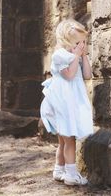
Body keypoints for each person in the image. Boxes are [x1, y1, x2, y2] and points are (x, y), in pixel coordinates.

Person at [40, 19, 93, 186]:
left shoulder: (76, 55)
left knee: (63, 140)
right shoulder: (60, 56)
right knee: (68, 138)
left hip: (73, 100)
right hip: (63, 101)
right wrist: (76, 55)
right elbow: (69, 75)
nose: (82, 45)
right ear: (66, 41)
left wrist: (83, 56)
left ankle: (59, 170)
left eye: (84, 42)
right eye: (78, 42)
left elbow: (87, 75)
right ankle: (71, 175)